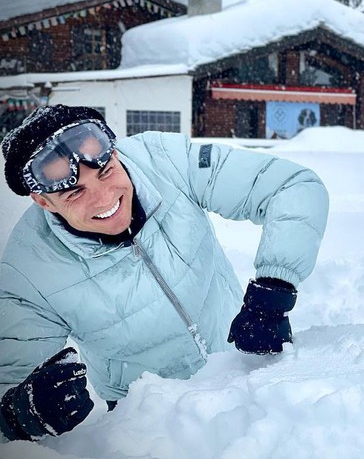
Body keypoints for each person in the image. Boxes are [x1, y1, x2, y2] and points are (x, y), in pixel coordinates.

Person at [0, 104, 329, 442]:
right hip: (150, 424)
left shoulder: (165, 161)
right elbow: (8, 384)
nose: (105, 199)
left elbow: (293, 186)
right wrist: (16, 414)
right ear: (43, 201)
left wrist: (274, 289)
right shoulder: (27, 272)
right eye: (75, 192)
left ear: (113, 153)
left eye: (106, 172)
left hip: (244, 368)